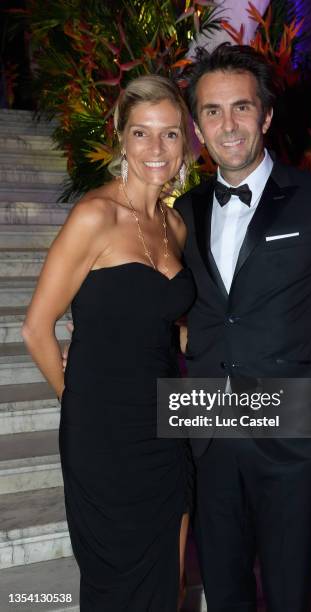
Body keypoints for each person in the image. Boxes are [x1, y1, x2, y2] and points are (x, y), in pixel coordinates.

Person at [173, 44, 311, 612]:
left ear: (265, 115)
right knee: (224, 586)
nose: (228, 124)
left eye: (241, 107)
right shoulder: (183, 212)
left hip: (294, 431)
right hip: (208, 430)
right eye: (212, 112)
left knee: (290, 592)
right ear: (197, 127)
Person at [22, 75, 196, 611]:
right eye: (141, 134)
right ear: (120, 137)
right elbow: (36, 327)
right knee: (114, 582)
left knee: (169, 576)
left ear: (185, 141)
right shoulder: (94, 216)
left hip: (166, 428)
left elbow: (171, 326)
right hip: (103, 435)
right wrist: (74, 400)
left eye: (169, 134)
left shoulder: (174, 225)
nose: (155, 149)